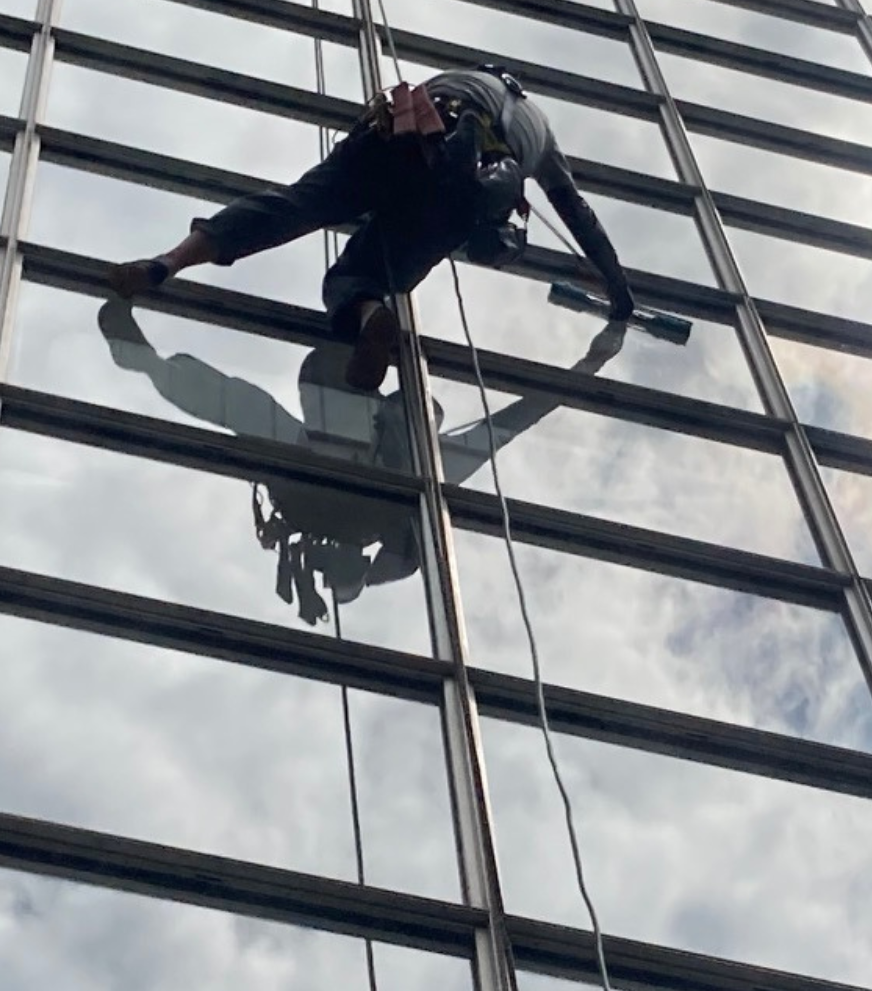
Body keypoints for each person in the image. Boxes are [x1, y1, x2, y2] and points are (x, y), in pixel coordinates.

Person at [92, 295, 626, 624]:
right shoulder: (425, 469)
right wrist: (586, 368)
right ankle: (143, 362)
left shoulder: (413, 471)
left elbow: (230, 402)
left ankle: (143, 362)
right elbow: (515, 420)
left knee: (235, 404)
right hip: (325, 454)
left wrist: (588, 367)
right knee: (238, 405)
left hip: (323, 442)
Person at [105, 65, 638, 391]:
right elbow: (579, 216)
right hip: (454, 197)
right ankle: (371, 315)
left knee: (294, 206)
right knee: (359, 274)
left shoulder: (461, 79)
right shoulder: (542, 138)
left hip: (401, 135)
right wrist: (619, 292)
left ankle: (167, 263)